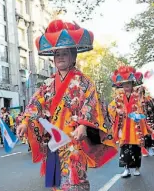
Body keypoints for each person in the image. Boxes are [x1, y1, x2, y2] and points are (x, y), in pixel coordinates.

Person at [16, 19, 117, 191]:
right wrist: (25, 123)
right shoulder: (47, 85)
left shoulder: (85, 82)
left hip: (74, 141)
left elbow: (92, 105)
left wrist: (84, 126)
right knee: (55, 185)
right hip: (54, 142)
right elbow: (35, 105)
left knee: (75, 183)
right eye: (57, 54)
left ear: (73, 55)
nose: (60, 57)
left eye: (64, 53)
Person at [108, 66, 154, 177]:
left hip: (135, 126)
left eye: (128, 83)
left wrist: (138, 113)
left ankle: (137, 168)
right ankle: (126, 169)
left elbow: (141, 109)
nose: (127, 86)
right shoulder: (118, 97)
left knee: (136, 149)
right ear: (121, 85)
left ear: (132, 84)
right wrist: (117, 110)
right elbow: (110, 107)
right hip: (124, 126)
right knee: (124, 149)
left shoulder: (137, 96)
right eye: (124, 84)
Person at [140, 87, 154, 156]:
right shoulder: (136, 101)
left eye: (142, 92)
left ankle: (150, 147)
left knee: (149, 133)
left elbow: (151, 109)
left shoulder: (147, 100)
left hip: (148, 118)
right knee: (142, 134)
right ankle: (144, 149)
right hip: (141, 119)